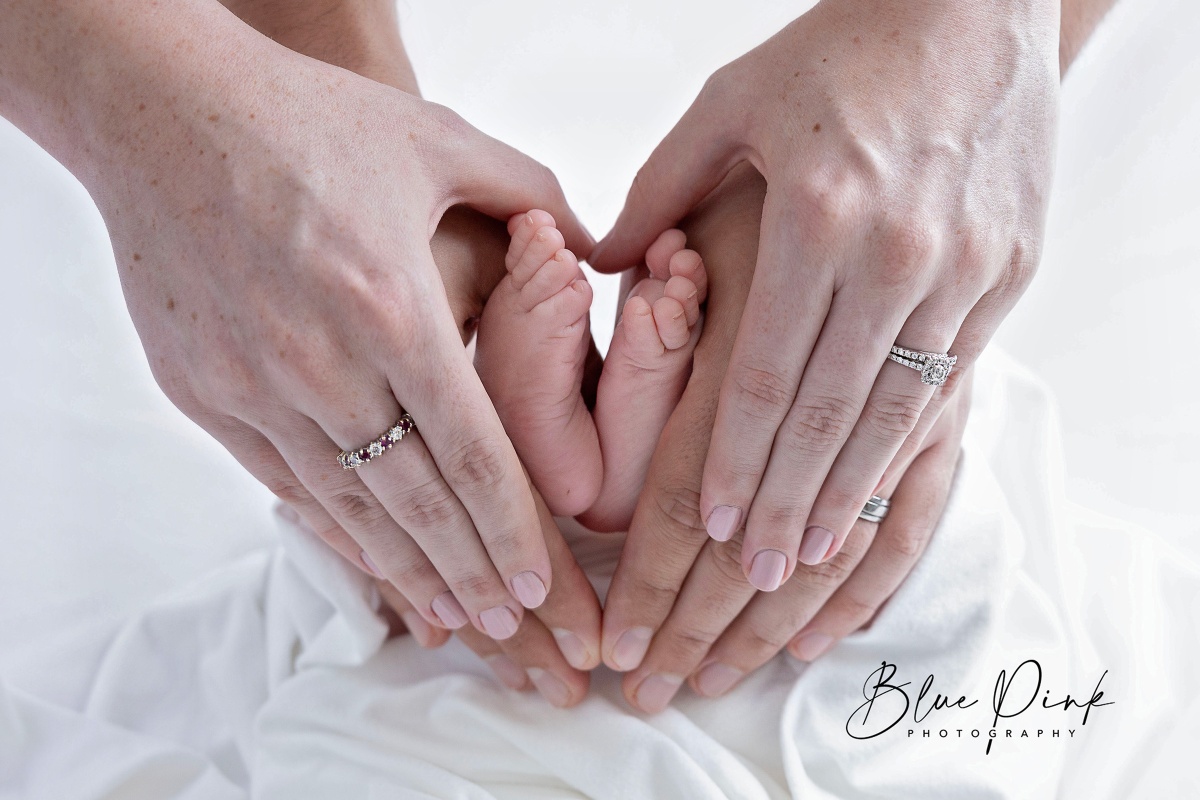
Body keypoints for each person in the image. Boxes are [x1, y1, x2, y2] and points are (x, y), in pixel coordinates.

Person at [0, 0, 1117, 711]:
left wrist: (988, 28)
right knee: (885, 534)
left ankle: (561, 423)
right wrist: (144, 97)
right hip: (786, 625)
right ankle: (602, 419)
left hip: (491, 639)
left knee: (391, 535)